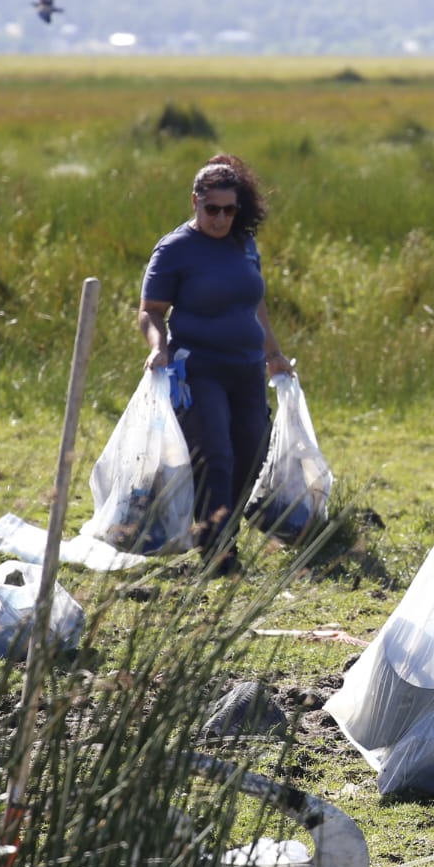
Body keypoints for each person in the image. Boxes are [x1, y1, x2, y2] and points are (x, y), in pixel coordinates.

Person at [138, 155, 293, 573]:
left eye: (229, 210)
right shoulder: (175, 249)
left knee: (252, 454)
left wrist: (274, 355)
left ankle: (223, 533)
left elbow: (256, 303)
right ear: (195, 201)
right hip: (199, 369)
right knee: (216, 456)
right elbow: (150, 310)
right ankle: (217, 552)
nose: (221, 218)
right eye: (212, 209)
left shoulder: (244, 245)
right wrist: (157, 347)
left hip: (246, 369)